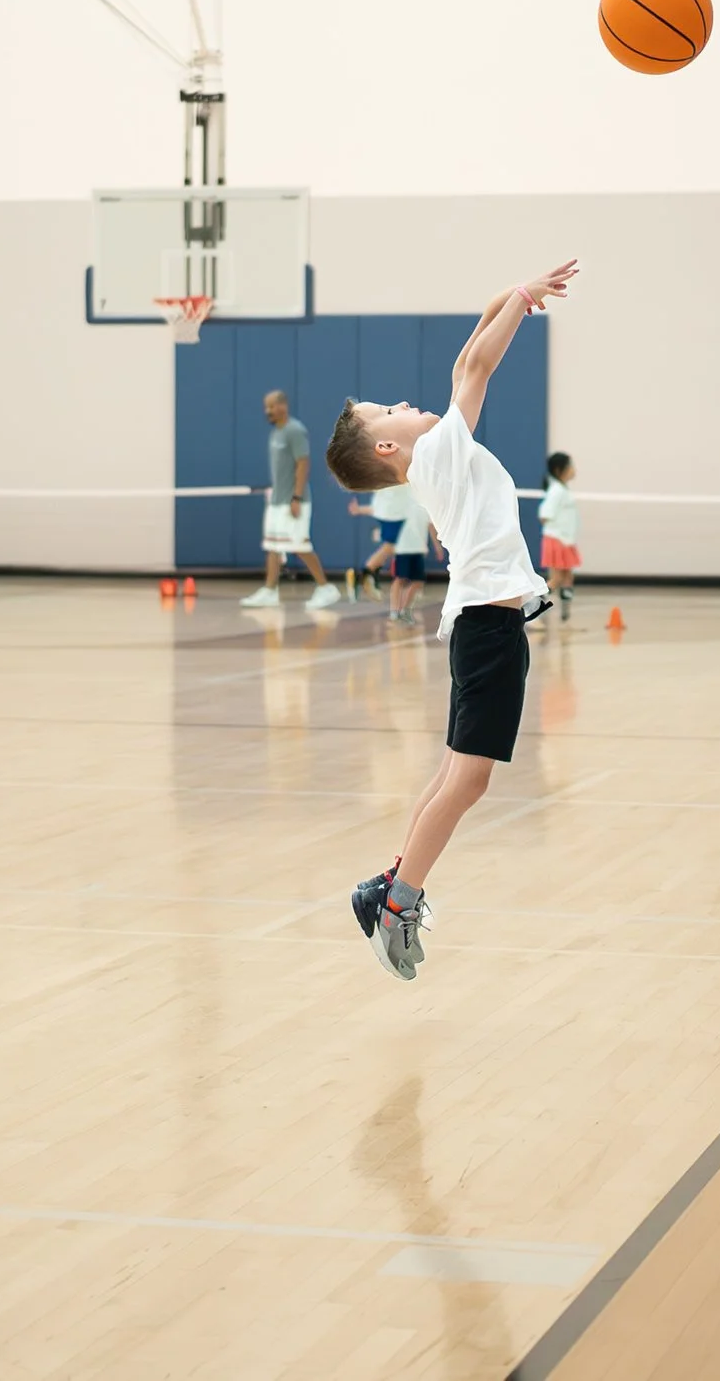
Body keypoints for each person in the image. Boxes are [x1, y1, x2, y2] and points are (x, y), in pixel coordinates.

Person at [326, 258, 578, 979]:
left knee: (452, 775)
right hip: (488, 631)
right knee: (467, 782)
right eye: (387, 410)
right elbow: (477, 362)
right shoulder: (438, 449)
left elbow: (472, 353)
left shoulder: (436, 457)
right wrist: (520, 298)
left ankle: (390, 885)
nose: (404, 403)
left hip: (483, 627)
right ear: (386, 446)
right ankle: (397, 902)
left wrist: (516, 296)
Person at [242, 391, 343, 610]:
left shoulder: (295, 431)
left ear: (283, 406)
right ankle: (269, 591)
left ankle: (326, 588)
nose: (267, 411)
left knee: (299, 545)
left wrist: (296, 497)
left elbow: (303, 464)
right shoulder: (275, 434)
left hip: (294, 500)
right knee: (273, 546)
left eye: (271, 406)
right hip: (276, 501)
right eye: (265, 407)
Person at [384, 482, 436, 628]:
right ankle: (394, 611)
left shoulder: (425, 502)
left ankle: (405, 609)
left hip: (418, 548)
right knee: (399, 579)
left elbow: (430, 525)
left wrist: (437, 546)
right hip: (403, 547)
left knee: (418, 581)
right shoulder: (402, 498)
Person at [538, 451, 580, 625]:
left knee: (568, 578)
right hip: (557, 540)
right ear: (559, 470)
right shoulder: (556, 491)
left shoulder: (563, 490)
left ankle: (565, 618)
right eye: (570, 466)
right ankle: (533, 610)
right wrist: (558, 532)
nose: (573, 469)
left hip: (566, 541)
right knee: (556, 579)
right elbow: (544, 514)